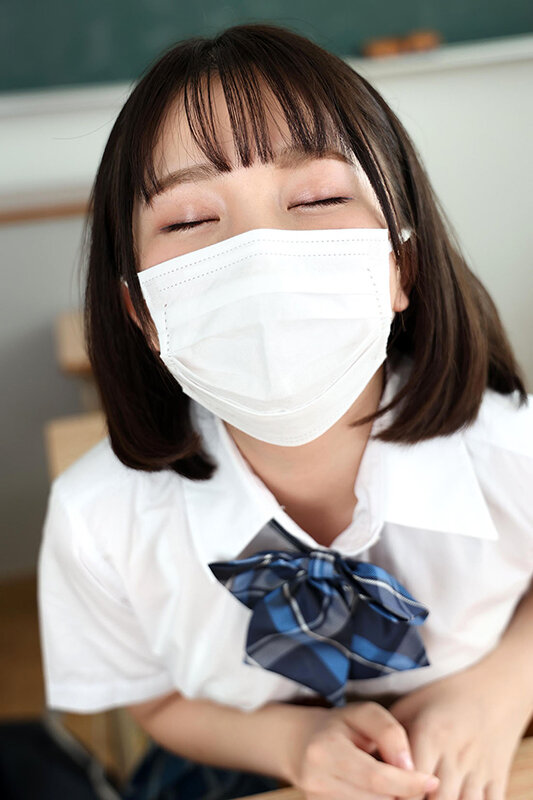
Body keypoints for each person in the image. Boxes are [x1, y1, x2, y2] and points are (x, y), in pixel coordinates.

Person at [37, 22, 533, 800]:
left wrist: (499, 688)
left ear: (400, 266)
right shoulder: (98, 518)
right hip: (235, 767)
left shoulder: (511, 449)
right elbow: (152, 699)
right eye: (189, 219)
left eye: (318, 198)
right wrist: (294, 747)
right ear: (142, 313)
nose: (259, 251)